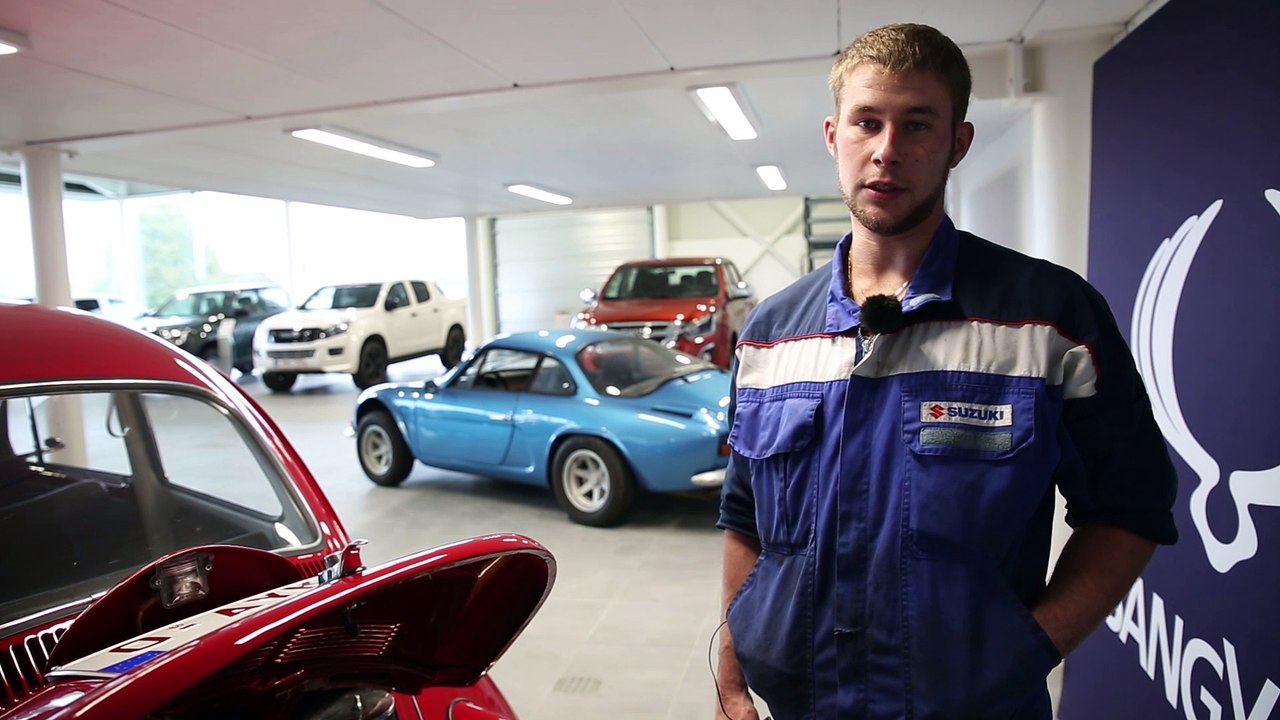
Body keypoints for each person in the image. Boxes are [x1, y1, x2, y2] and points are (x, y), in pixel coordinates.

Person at [714, 22, 1177, 720]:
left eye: (918, 124)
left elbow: (1130, 510)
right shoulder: (771, 333)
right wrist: (730, 677)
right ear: (834, 135)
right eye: (867, 123)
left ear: (957, 143)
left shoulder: (1049, 318)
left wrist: (1027, 648)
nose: (887, 151)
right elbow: (744, 521)